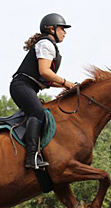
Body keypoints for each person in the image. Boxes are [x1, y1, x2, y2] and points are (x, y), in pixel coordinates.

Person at [10, 13, 76, 169]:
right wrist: (66, 83)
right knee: (38, 113)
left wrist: (70, 86)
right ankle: (31, 157)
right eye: (62, 29)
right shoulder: (46, 44)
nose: (65, 32)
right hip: (22, 86)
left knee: (43, 114)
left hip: (28, 87)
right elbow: (45, 72)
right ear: (51, 29)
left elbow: (47, 80)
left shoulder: (49, 45)